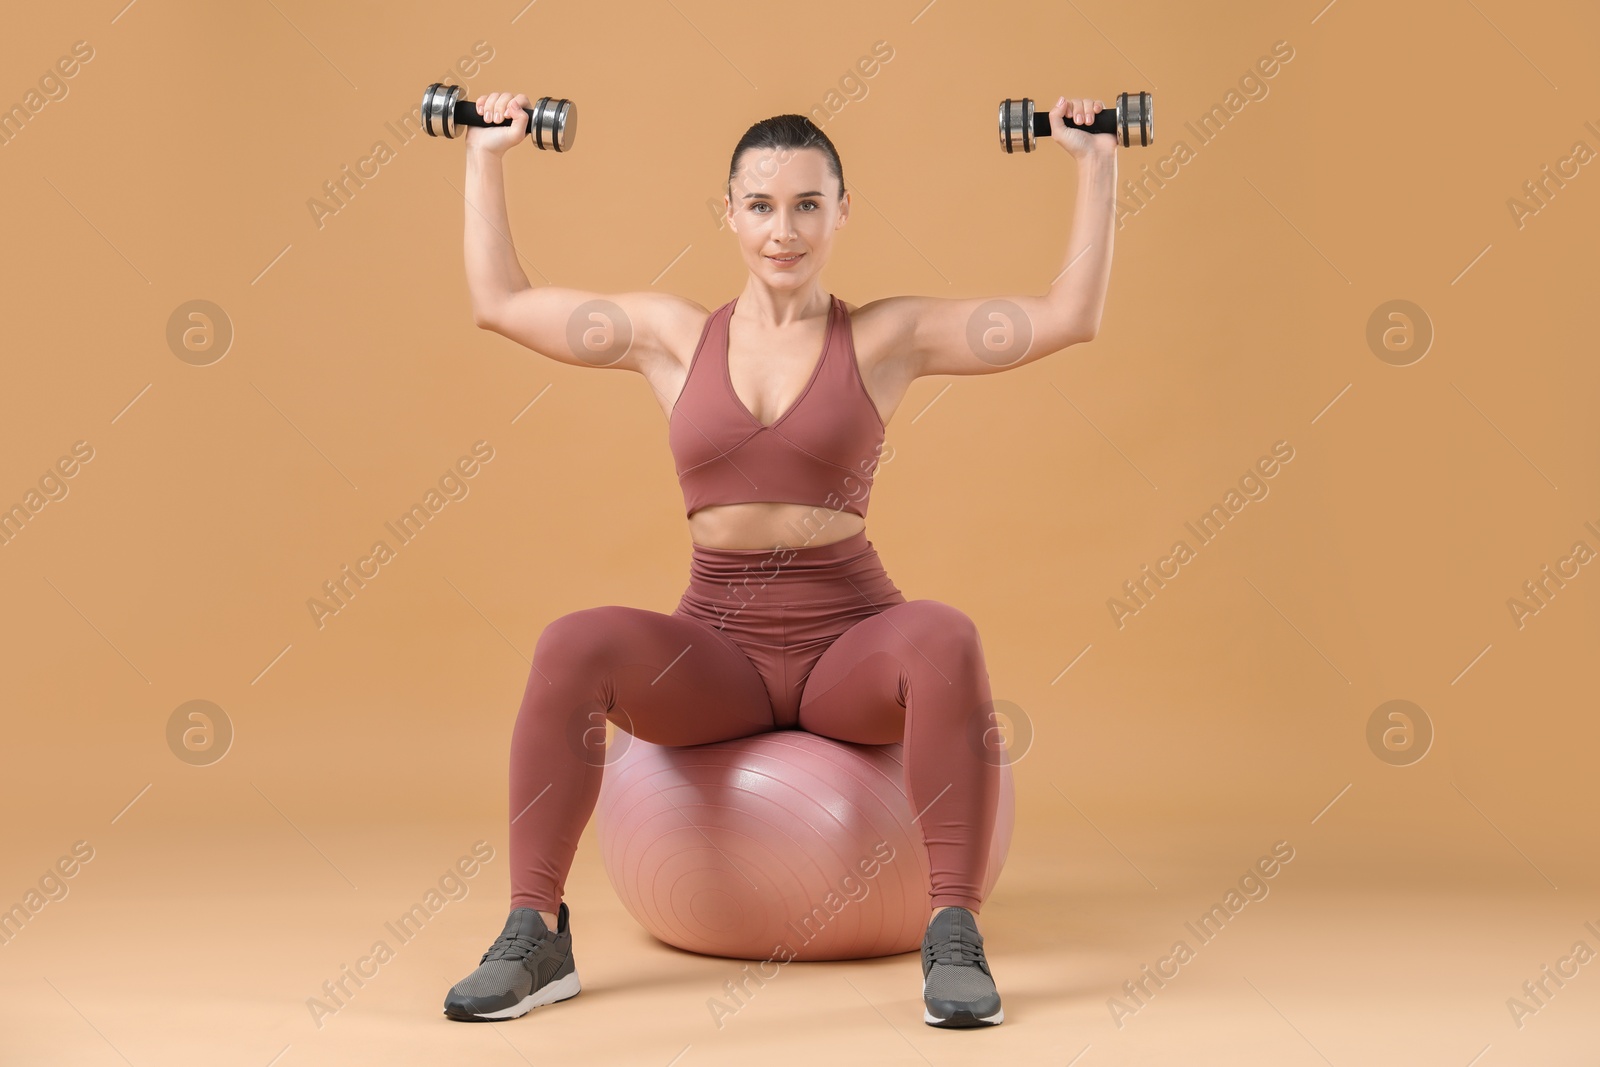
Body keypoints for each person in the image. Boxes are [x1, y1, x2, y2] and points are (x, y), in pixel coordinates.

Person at [442, 89, 1118, 1029]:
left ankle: (953, 928)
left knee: (944, 636)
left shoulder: (887, 335)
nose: (784, 230)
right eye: (761, 205)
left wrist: (1096, 164)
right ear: (728, 213)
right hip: (717, 649)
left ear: (843, 212)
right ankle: (534, 930)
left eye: (808, 204)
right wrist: (487, 152)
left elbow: (1067, 315)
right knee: (571, 643)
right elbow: (502, 303)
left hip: (851, 642)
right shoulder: (670, 336)